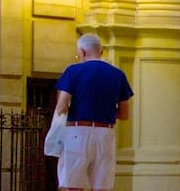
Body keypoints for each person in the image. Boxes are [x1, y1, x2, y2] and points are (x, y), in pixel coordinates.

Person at [55, 34, 133, 191]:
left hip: (77, 131)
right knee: (102, 185)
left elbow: (61, 107)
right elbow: (124, 114)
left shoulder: (73, 71)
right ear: (101, 51)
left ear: (82, 52)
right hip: (105, 134)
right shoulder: (118, 74)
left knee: (72, 183)